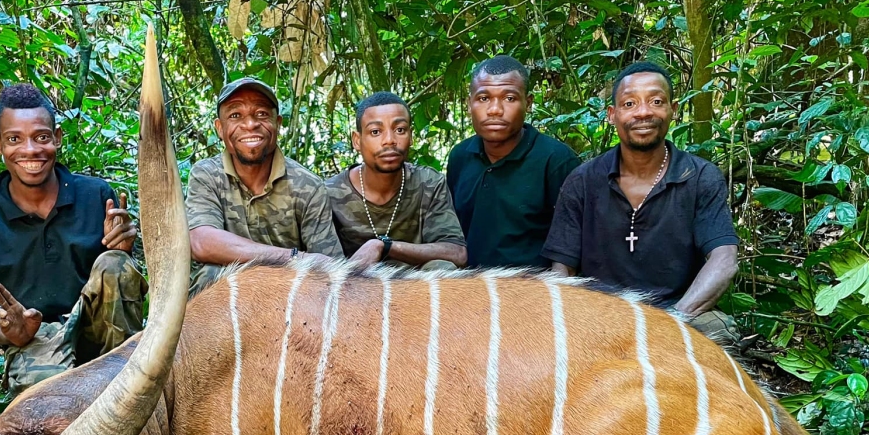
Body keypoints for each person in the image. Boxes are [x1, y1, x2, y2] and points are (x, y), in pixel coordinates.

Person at [0, 83, 146, 393]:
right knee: (49, 403)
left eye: (41, 137)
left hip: (103, 335)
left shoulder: (96, 195)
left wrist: (124, 252)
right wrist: (10, 332)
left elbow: (121, 284)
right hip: (36, 337)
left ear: (56, 137)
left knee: (115, 264)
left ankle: (128, 378)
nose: (30, 150)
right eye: (14, 139)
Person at [541, 61, 739, 337]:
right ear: (612, 114)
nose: (643, 112)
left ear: (673, 109)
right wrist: (576, 321)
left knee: (718, 329)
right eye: (630, 104)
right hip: (599, 318)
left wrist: (672, 320)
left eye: (656, 101)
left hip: (675, 316)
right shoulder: (583, 180)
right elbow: (562, 269)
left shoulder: (699, 176)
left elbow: (724, 258)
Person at [186, 77, 343, 292]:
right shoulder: (207, 174)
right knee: (211, 275)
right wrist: (293, 257)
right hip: (224, 301)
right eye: (235, 115)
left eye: (261, 114)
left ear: (277, 124)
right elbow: (202, 242)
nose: (250, 124)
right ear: (220, 128)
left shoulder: (308, 186)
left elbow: (329, 267)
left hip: (288, 296)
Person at [447, 55, 581, 268]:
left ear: (528, 103)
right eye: (483, 98)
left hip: (533, 291)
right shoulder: (460, 157)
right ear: (469, 103)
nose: (495, 110)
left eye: (509, 98)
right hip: (471, 290)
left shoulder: (556, 160)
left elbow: (568, 247)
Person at [326, 92, 467, 270]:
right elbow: (323, 267)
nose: (390, 141)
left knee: (442, 267)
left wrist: (384, 246)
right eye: (375, 132)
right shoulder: (330, 192)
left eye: (400, 130)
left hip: (416, 290)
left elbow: (457, 253)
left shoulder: (428, 183)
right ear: (357, 140)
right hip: (356, 291)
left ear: (411, 136)